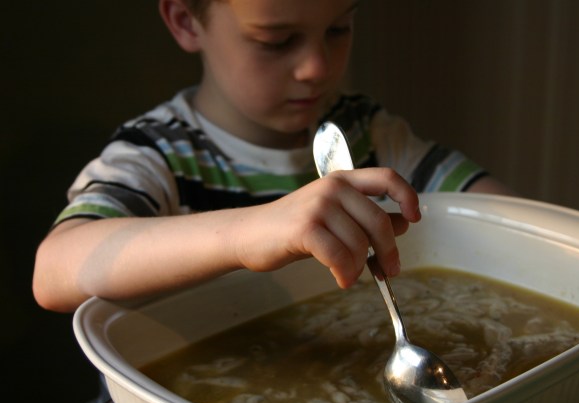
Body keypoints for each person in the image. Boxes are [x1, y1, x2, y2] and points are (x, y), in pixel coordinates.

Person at [33, 0, 516, 315]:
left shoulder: (368, 133)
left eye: (338, 29)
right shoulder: (156, 153)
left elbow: (507, 218)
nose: (316, 67)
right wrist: (248, 231)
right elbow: (54, 271)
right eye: (276, 41)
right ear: (185, 20)